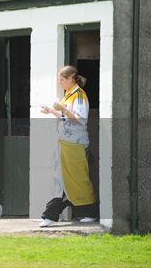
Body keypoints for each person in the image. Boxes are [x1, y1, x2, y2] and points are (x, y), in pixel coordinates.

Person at [39, 66, 97, 227]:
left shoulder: (79, 95)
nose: (60, 82)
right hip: (67, 143)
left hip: (75, 144)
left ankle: (52, 215)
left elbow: (79, 118)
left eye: (62, 79)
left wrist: (62, 108)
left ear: (71, 78)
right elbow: (66, 117)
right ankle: (56, 214)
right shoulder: (69, 95)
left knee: (74, 179)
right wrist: (52, 111)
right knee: (67, 178)